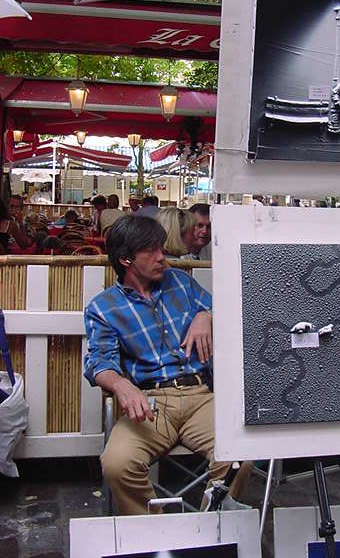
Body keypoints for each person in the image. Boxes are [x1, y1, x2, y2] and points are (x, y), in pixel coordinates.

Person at [83, 215, 245, 515]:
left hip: (200, 397)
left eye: (161, 248)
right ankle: (155, 531)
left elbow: (227, 308)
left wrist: (206, 316)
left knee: (242, 451)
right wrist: (121, 386)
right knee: (117, 464)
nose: (162, 257)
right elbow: (99, 362)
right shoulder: (103, 308)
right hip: (151, 404)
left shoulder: (181, 283)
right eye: (151, 251)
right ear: (126, 260)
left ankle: (211, 525)